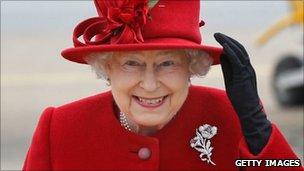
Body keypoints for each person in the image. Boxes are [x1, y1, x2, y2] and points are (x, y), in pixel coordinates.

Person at [23, 0, 303, 170]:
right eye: (131, 63)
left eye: (168, 63)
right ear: (106, 67)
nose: (149, 83)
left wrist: (260, 135)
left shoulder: (232, 118)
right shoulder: (59, 129)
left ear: (192, 67)